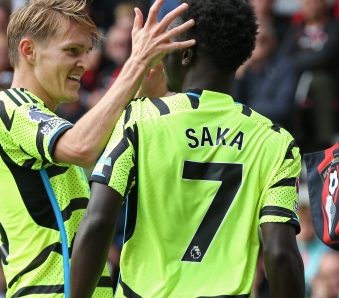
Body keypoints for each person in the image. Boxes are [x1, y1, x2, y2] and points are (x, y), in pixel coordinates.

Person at [70, 0, 305, 297]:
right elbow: (280, 252)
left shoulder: (140, 119)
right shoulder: (275, 141)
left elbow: (98, 221)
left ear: (185, 55)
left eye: (168, 48)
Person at [0, 0, 195, 297]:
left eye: (87, 52)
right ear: (29, 51)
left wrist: (150, 90)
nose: (85, 63)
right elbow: (82, 147)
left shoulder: (49, 125)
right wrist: (135, 64)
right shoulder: (7, 107)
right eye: (72, 51)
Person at [279, 0, 339, 148]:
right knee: (284, 81)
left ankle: (326, 140)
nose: (311, 6)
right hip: (298, 76)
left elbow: (326, 56)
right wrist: (305, 61)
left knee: (318, 82)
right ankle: (288, 135)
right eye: (307, 3)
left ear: (325, 4)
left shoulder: (336, 27)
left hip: (328, 78)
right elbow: (284, 57)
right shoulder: (296, 29)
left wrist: (299, 61)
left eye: (316, 2)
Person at [235, 19, 298, 130]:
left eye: (263, 40)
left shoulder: (285, 68)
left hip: (273, 128)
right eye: (253, 39)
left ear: (273, 42)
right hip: (241, 126)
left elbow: (282, 109)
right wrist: (239, 77)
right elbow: (230, 102)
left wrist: (245, 109)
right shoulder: (240, 67)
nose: (257, 45)